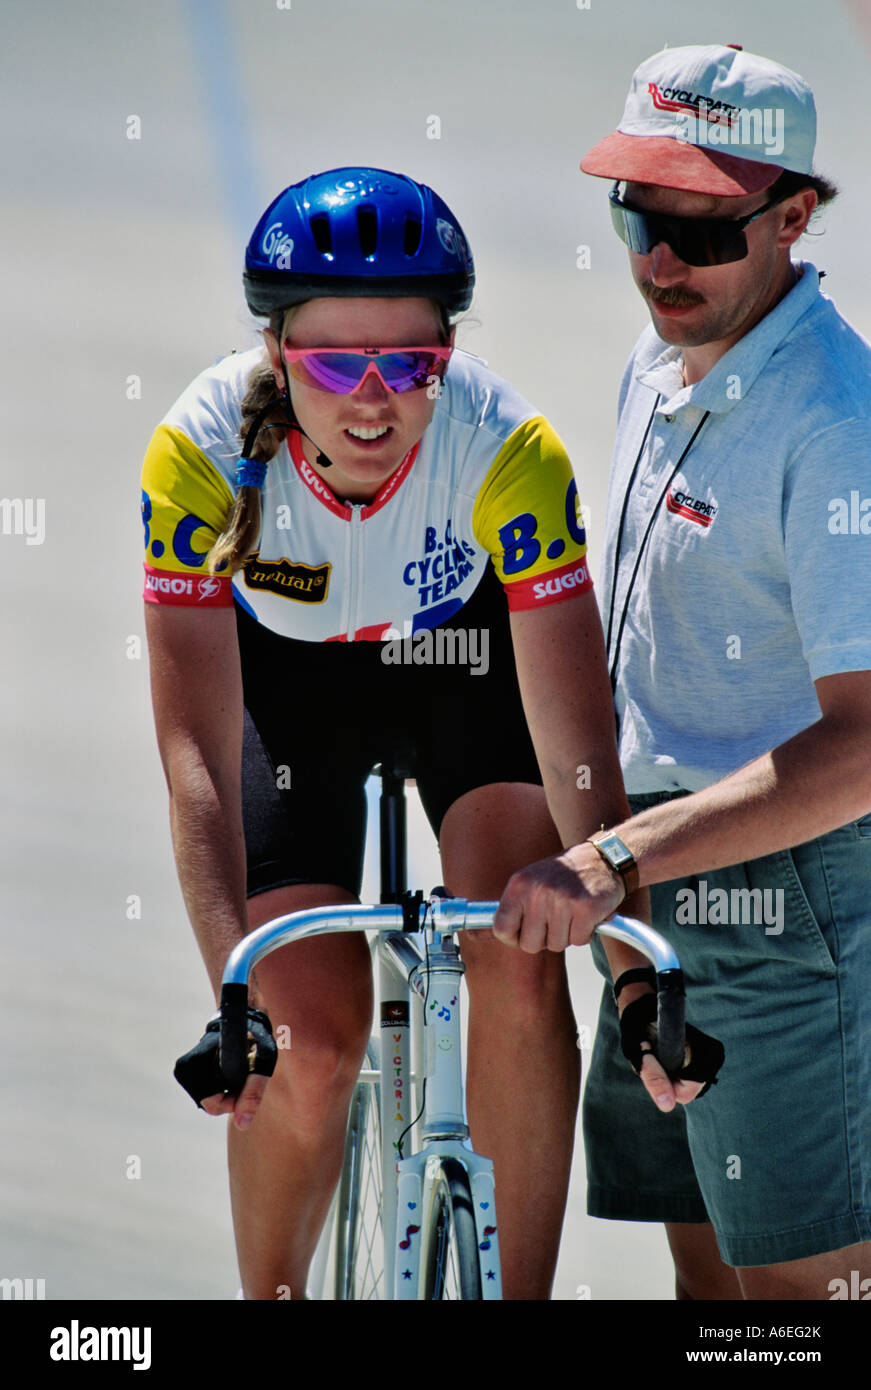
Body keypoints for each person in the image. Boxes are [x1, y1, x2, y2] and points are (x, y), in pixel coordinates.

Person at [141, 165, 667, 1300]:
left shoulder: (507, 450)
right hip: (289, 697)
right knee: (310, 1047)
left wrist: (626, 964)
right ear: (279, 354)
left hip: (464, 666)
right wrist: (232, 998)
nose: (373, 399)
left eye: (412, 363)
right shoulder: (200, 455)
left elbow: (578, 751)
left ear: (450, 357)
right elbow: (195, 761)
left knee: (523, 963)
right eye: (336, 361)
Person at [494, 44, 871, 1300]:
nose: (660, 261)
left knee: (794, 1306)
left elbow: (864, 746)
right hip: (656, 877)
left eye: (698, 233)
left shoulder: (832, 425)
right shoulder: (658, 365)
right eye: (638, 218)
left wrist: (609, 862)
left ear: (795, 217)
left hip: (788, 899)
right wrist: (624, 885)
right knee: (706, 1287)